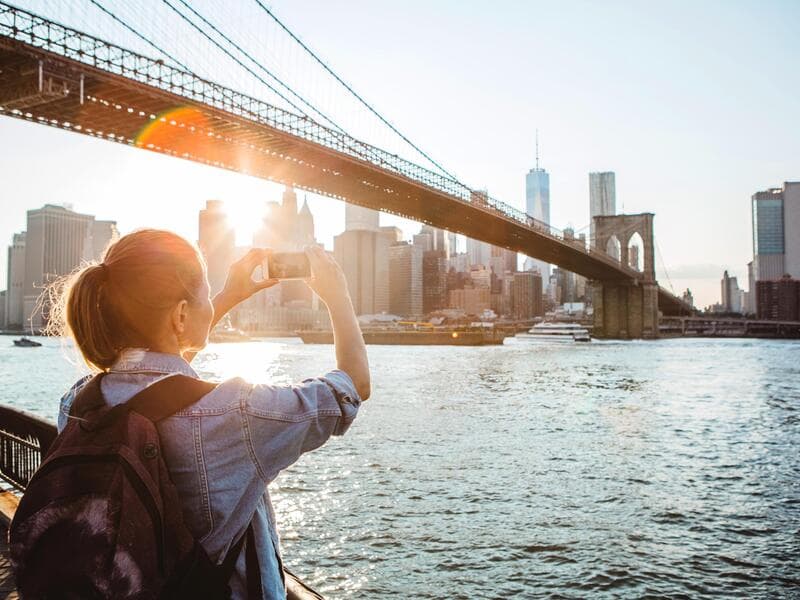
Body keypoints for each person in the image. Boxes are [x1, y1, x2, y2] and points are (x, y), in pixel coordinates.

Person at [49, 229, 370, 598]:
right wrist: (338, 296)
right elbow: (353, 386)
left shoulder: (79, 402)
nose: (211, 300)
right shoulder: (237, 413)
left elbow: (160, 391)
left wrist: (229, 295)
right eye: (205, 291)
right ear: (182, 314)